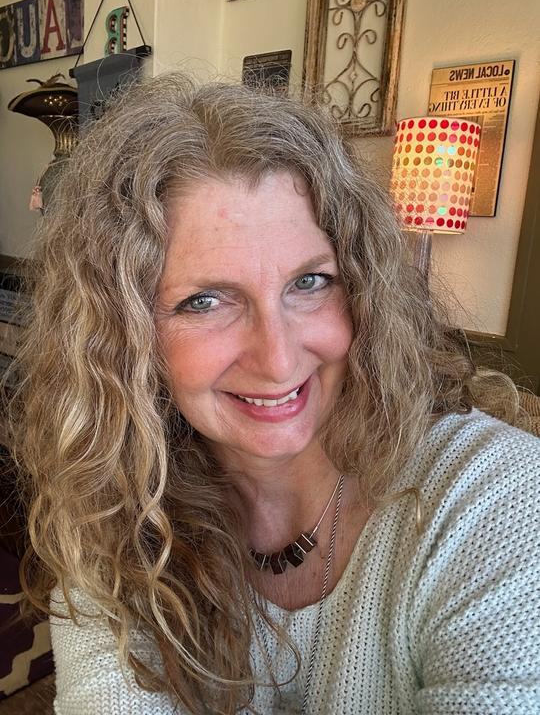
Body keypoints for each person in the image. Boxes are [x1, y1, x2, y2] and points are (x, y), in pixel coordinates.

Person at [10, 74, 540, 715]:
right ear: (123, 337)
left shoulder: (497, 499)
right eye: (205, 301)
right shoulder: (115, 507)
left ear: (364, 292)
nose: (279, 358)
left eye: (309, 282)